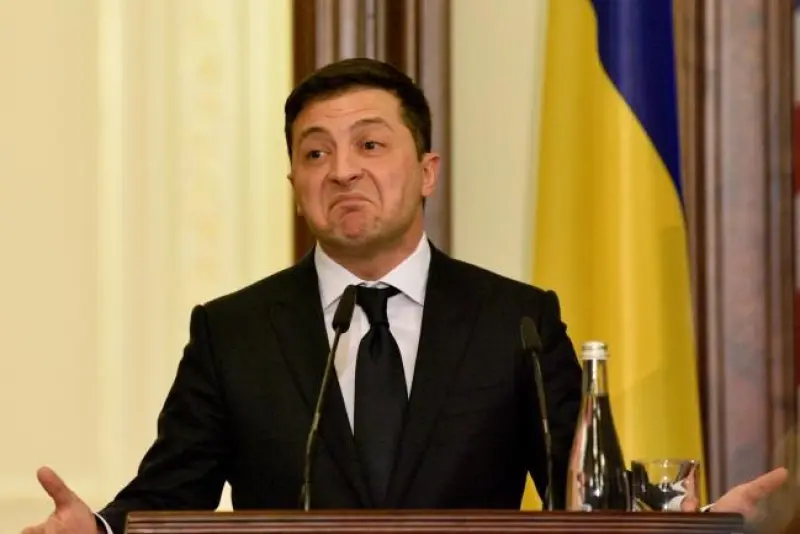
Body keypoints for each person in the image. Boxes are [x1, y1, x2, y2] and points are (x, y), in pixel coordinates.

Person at [22, 57, 788, 534]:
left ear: (426, 171)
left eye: (370, 143)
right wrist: (98, 531)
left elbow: (583, 500)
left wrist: (687, 531)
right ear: (294, 183)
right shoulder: (234, 331)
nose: (341, 170)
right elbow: (170, 494)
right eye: (314, 152)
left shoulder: (517, 321)